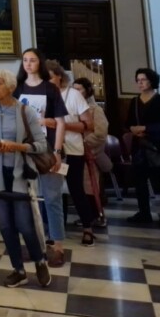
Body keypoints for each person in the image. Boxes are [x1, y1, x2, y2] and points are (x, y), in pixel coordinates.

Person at [0, 70, 51, 288]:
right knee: (6, 226)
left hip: (21, 173)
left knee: (24, 225)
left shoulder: (25, 111)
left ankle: (39, 260)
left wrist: (18, 146)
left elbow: (41, 145)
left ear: (10, 87)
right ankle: (18, 269)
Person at [17, 47, 67, 265]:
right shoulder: (18, 89)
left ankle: (57, 246)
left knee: (52, 197)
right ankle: (33, 244)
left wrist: (56, 151)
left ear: (40, 63)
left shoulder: (50, 89)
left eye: (33, 60)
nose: (28, 64)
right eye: (25, 60)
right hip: (25, 148)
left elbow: (61, 122)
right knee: (28, 198)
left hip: (47, 148)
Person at [47, 61, 99, 245]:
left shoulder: (73, 95)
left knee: (76, 189)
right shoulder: (44, 95)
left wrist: (63, 125)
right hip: (50, 150)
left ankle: (87, 228)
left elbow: (89, 125)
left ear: (59, 76)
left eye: (51, 76)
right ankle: (56, 231)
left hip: (72, 149)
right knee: (54, 192)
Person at [125, 68, 160, 225]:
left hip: (157, 147)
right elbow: (128, 122)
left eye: (144, 79)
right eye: (138, 80)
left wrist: (147, 129)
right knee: (140, 182)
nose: (140, 83)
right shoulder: (134, 102)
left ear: (151, 81)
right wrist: (133, 129)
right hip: (139, 146)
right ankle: (144, 213)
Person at [74, 77, 110, 229]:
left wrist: (84, 144)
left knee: (91, 186)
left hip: (91, 154)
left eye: (79, 89)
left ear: (87, 91)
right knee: (81, 186)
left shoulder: (95, 110)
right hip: (76, 153)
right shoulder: (72, 108)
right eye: (74, 89)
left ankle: (96, 215)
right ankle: (86, 216)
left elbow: (101, 133)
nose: (76, 92)